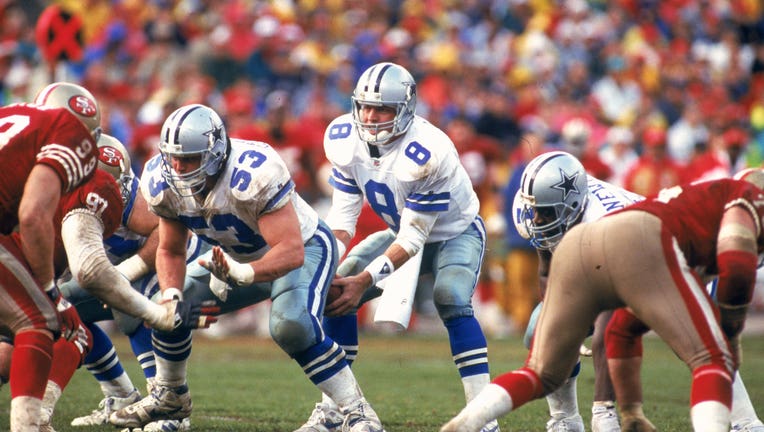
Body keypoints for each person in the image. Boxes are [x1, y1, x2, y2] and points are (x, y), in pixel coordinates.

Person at [109, 103, 383, 432]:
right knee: (167, 309)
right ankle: (171, 399)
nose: (179, 168)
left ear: (215, 152)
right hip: (233, 259)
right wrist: (170, 295)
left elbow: (291, 250)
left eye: (191, 159)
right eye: (174, 158)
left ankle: (358, 412)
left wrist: (245, 274)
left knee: (289, 325)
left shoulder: (253, 172)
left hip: (302, 249)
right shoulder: (160, 180)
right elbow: (169, 249)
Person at [441, 175, 764, 432]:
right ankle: (574, 419)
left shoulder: (726, 196)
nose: (538, 216)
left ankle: (465, 424)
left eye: (546, 211)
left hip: (594, 248)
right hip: (644, 246)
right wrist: (732, 331)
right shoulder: (748, 202)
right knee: (710, 354)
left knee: (539, 371)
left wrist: (629, 409)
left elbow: (620, 330)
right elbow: (735, 269)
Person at [308, 61, 499, 432]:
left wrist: (365, 280)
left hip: (453, 233)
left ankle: (482, 418)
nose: (370, 116)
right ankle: (336, 410)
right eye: (365, 105)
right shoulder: (344, 138)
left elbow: (414, 239)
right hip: (400, 231)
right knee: (338, 286)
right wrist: (324, 266)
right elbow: (343, 221)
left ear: (406, 109)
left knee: (450, 297)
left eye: (382, 108)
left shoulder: (429, 149)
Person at [604, 168, 764, 432]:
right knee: (708, 345)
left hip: (671, 254)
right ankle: (743, 422)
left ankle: (743, 422)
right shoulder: (729, 207)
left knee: (706, 345)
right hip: (663, 252)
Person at [61, 134, 202, 431]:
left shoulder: (126, 196)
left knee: (132, 304)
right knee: (62, 307)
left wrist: (126, 272)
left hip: (171, 262)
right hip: (118, 269)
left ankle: (167, 405)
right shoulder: (55, 193)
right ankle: (121, 395)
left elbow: (167, 237)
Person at [510, 150, 640, 432]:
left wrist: (602, 410)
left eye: (546, 212)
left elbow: (610, 317)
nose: (537, 218)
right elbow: (547, 270)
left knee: (695, 338)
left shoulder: (606, 221)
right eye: (535, 210)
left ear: (573, 204)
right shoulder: (536, 208)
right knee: (539, 330)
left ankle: (745, 421)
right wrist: (559, 325)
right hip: (595, 270)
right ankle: (565, 419)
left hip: (648, 265)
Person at [0, 82, 101, 431]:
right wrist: (52, 292)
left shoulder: (13, 115)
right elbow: (31, 214)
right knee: (38, 320)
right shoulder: (71, 133)